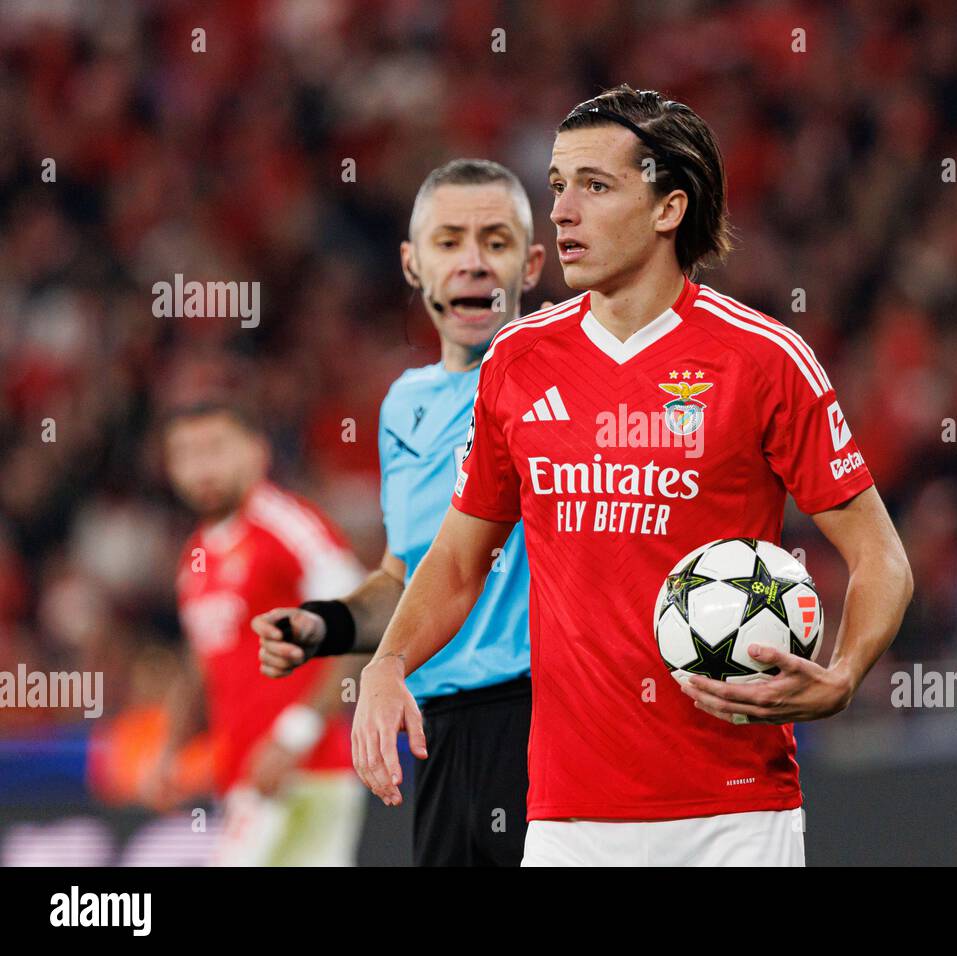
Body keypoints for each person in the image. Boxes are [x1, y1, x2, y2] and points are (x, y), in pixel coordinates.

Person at [348, 85, 914, 866]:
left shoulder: (762, 360)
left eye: (596, 185)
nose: (563, 211)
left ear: (668, 209)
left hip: (734, 813)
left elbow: (881, 555)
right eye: (556, 186)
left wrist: (845, 672)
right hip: (566, 819)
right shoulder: (517, 361)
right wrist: (386, 665)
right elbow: (456, 560)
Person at [253, 159, 545, 866]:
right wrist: (328, 625)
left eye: (496, 241)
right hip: (435, 733)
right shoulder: (403, 405)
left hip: (549, 727)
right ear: (413, 264)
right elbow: (404, 576)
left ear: (531, 265)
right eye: (449, 242)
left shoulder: (566, 380)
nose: (473, 262)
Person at [157, 402, 367, 865]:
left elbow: (357, 621)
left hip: (303, 774)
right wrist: (172, 747)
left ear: (256, 452)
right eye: (185, 454)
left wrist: (294, 737)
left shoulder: (286, 524)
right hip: (243, 778)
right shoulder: (196, 556)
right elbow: (205, 661)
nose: (201, 467)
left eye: (215, 448)